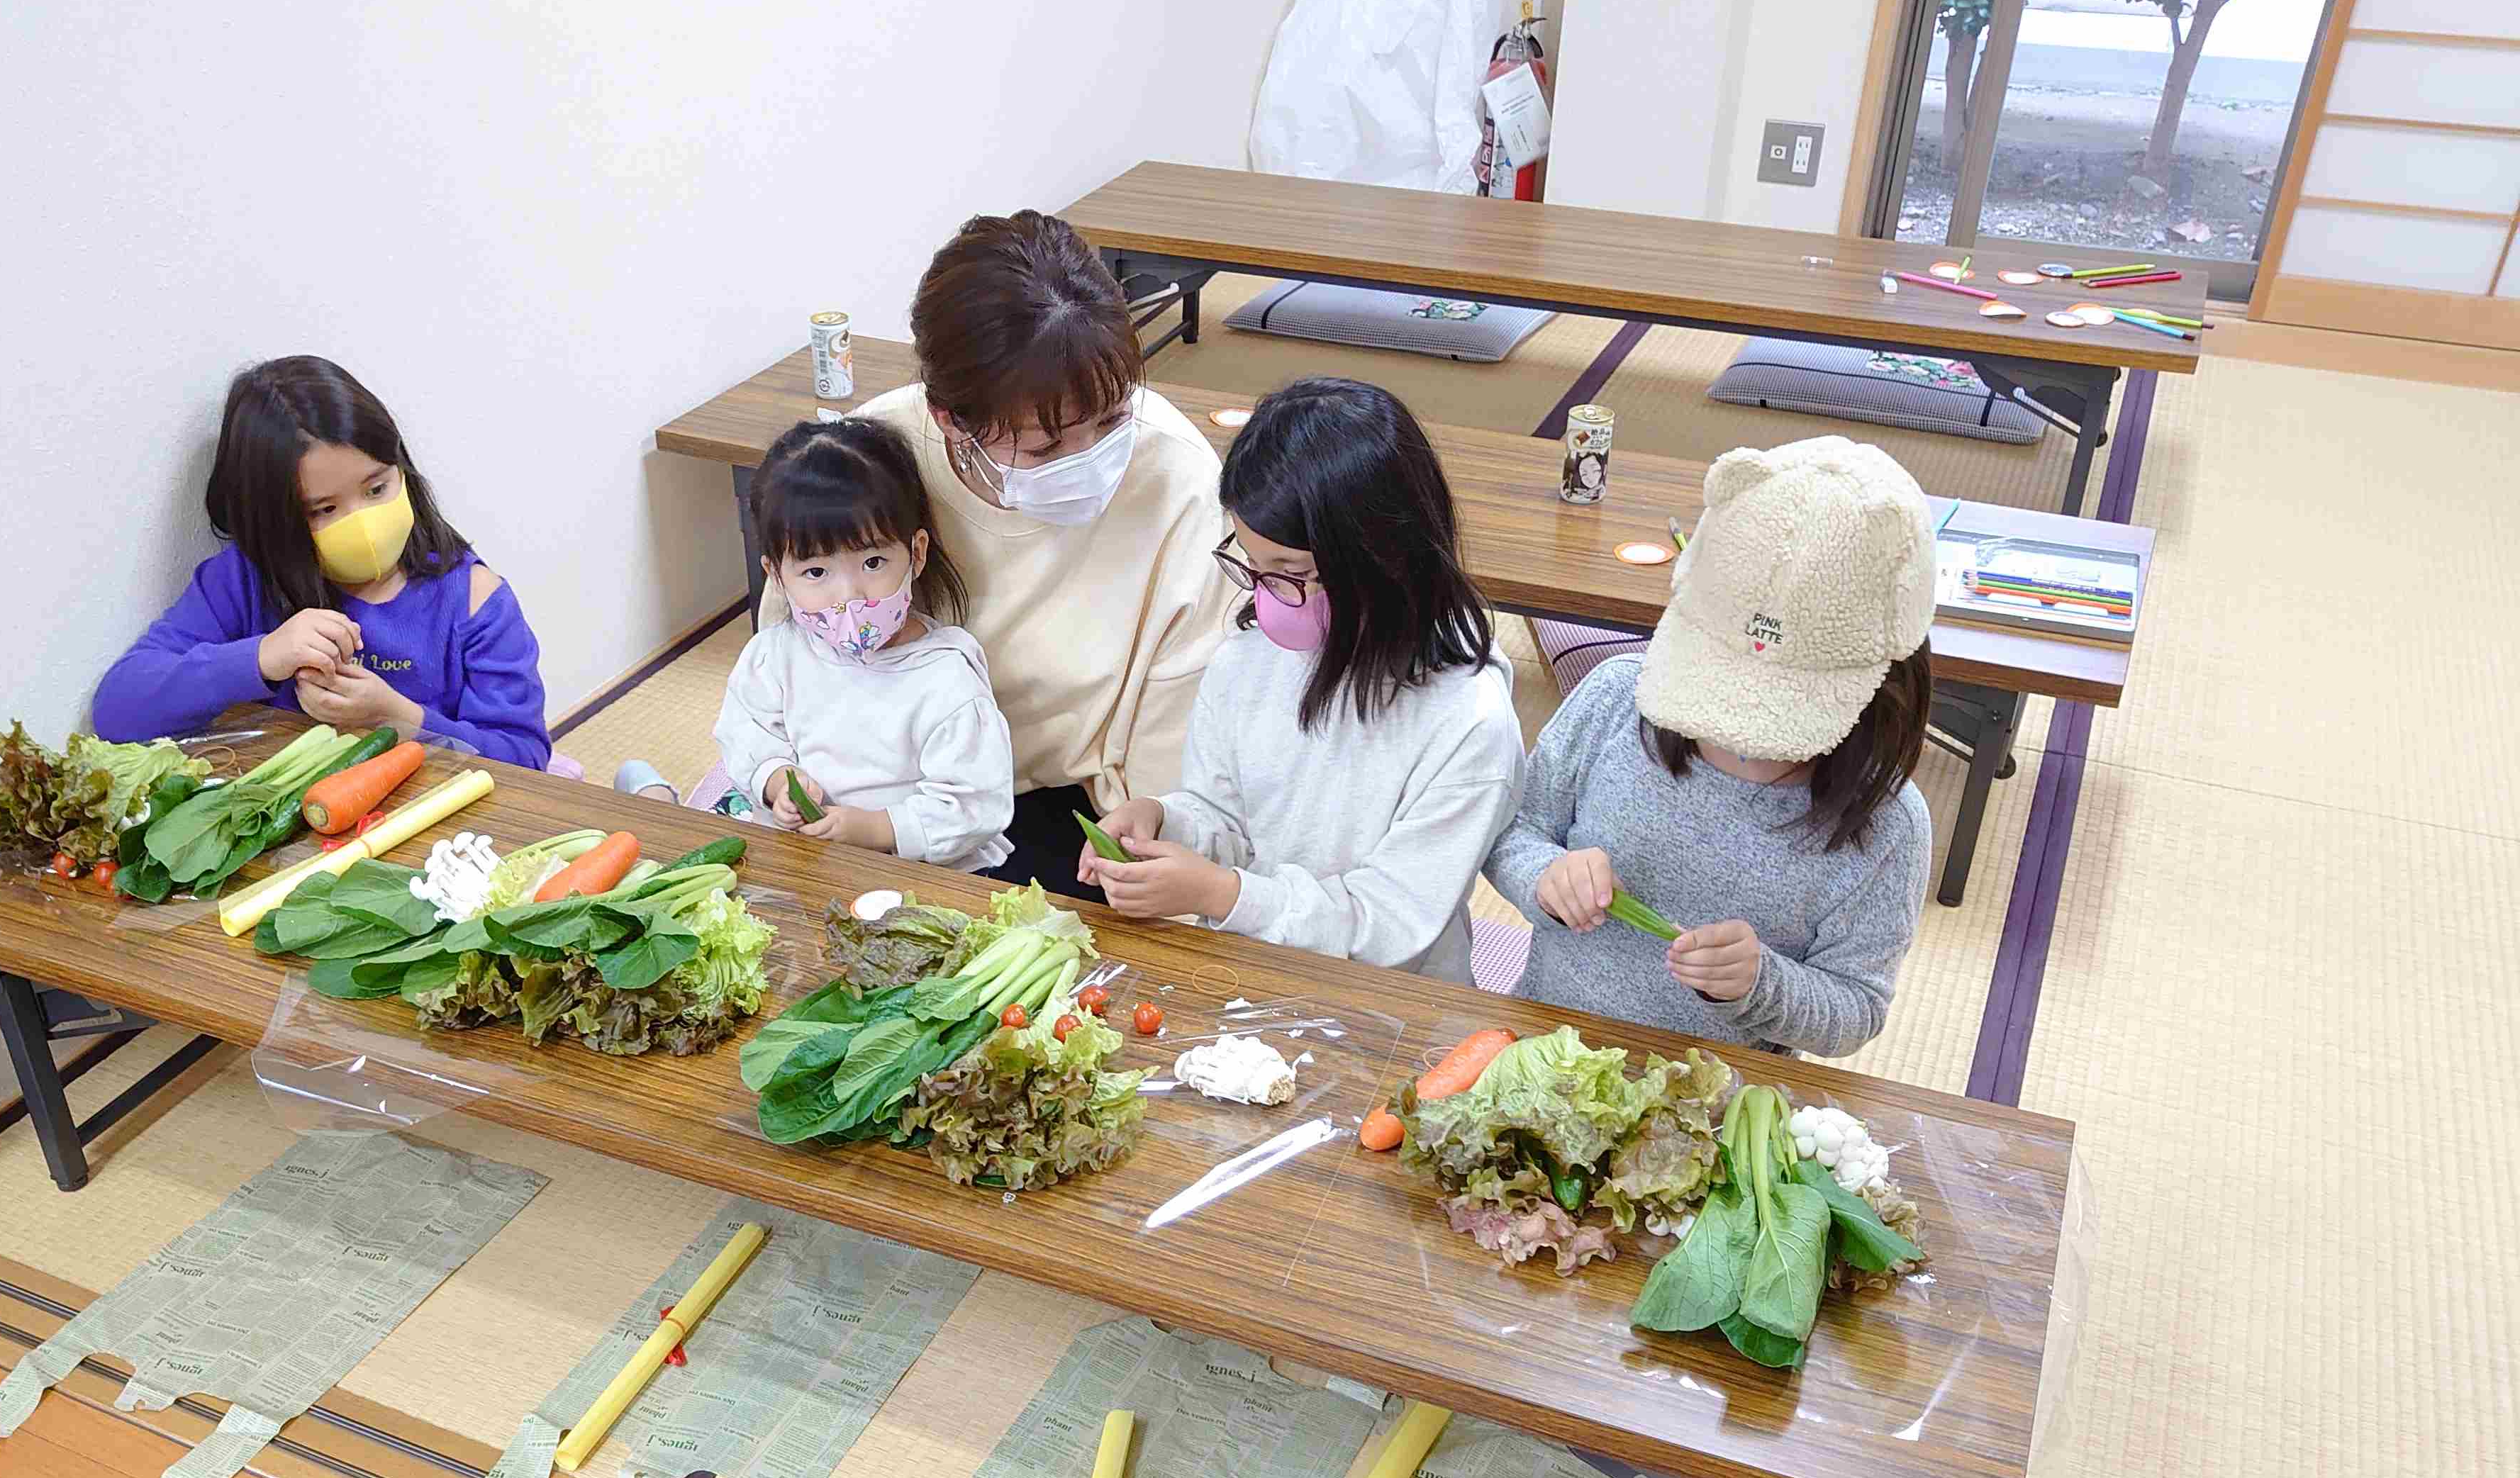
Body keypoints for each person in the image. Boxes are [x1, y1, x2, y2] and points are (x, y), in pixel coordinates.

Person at [773, 211, 1229, 897]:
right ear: (949, 420)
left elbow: (1177, 760)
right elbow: (791, 647)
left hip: (1067, 805)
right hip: (871, 789)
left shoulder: (1179, 482)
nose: (1090, 460)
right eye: (1045, 448)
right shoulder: (870, 462)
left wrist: (1155, 853)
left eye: (1111, 419)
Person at [1485, 435, 1936, 1056]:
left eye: (1784, 709)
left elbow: (1857, 1008)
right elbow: (1513, 830)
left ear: (1886, 688)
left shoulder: (1890, 824)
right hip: (1546, 1050)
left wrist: (1760, 984)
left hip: (1718, 1097)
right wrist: (1544, 877)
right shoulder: (1617, 698)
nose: (1738, 731)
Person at [1077, 379, 1522, 982]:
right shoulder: (1250, 658)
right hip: (1248, 974)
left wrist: (1224, 895)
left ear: (1382, 557)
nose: (1267, 599)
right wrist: (1163, 819)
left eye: (1290, 572)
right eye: (1254, 566)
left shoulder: (1469, 722)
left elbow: (1389, 924)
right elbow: (1226, 816)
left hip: (1392, 1004)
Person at [94, 356, 552, 769]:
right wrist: (260, 658)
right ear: (275, 519)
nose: (363, 524)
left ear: (402, 470)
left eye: (377, 489)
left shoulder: (473, 598)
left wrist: (396, 717)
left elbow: (526, 759)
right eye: (324, 509)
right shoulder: (242, 581)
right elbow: (118, 709)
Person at [715, 417, 1013, 869]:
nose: (850, 596)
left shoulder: (946, 678)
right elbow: (746, 734)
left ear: (916, 553)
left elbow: (976, 805)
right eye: (816, 572)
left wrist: (876, 829)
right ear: (776, 574)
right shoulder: (774, 656)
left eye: (873, 562)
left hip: (922, 873)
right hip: (806, 859)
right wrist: (776, 780)